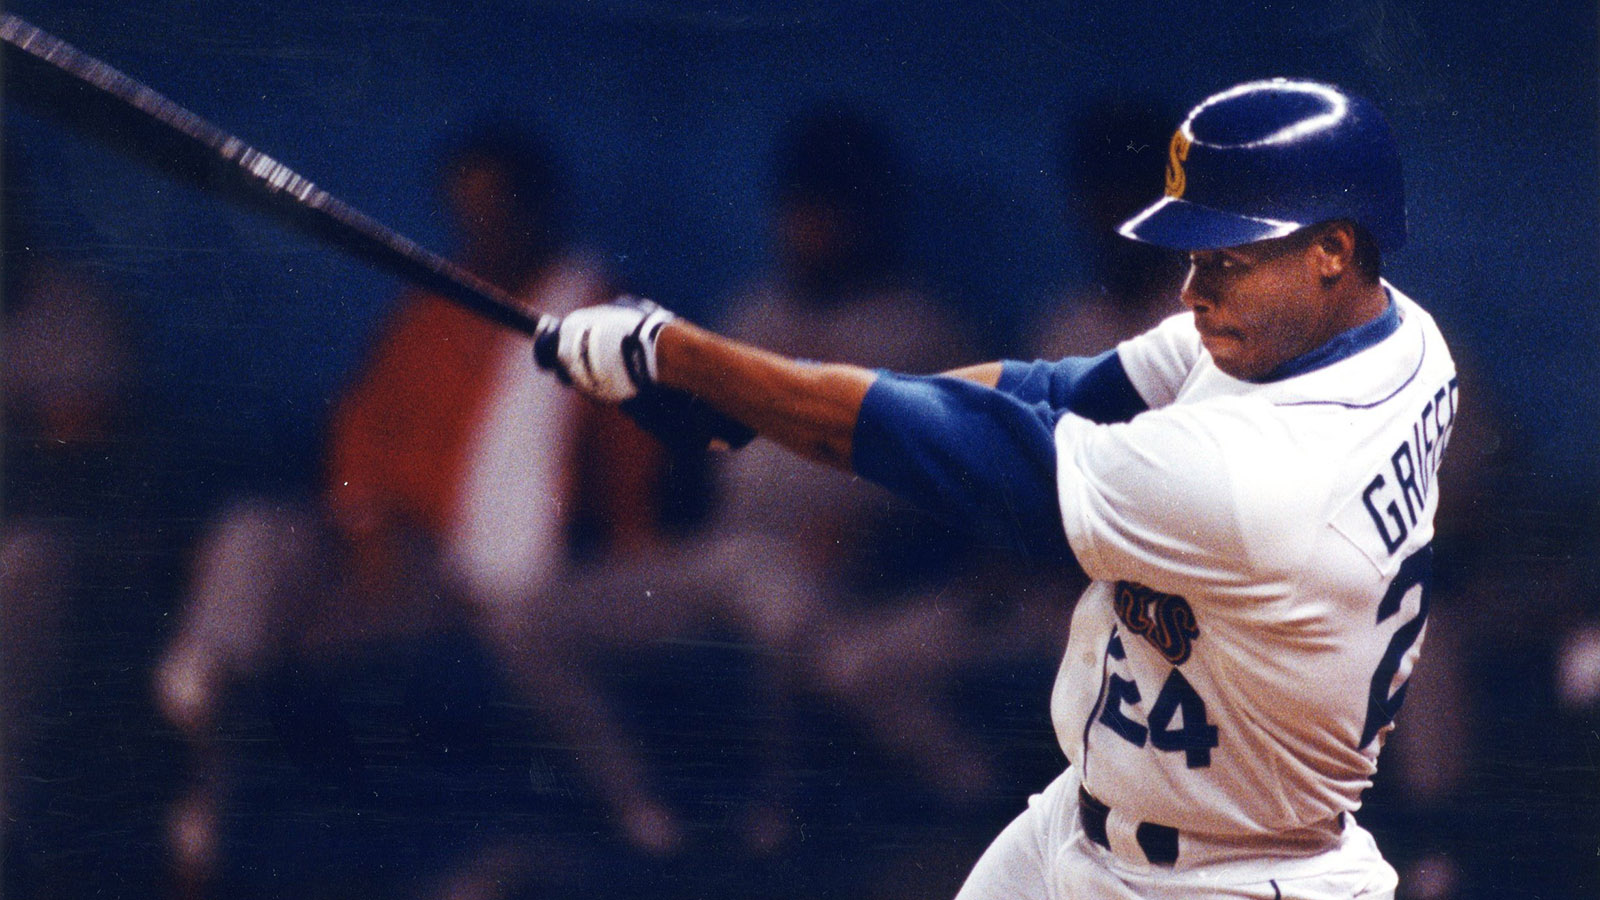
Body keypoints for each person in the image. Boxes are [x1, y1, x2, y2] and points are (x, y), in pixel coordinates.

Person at [537, 78, 1455, 898]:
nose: (1192, 289)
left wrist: (681, 354)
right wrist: (757, 398)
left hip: (1221, 873)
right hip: (1099, 818)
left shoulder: (1252, 471)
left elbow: (964, 443)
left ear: (1332, 250)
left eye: (1224, 258)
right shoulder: (1395, 336)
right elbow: (1052, 389)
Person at [152, 122, 669, 890]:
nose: (480, 228)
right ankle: (201, 679)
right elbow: (360, 434)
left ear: (538, 209)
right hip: (375, 540)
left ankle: (214, 811)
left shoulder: (594, 321)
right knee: (254, 534)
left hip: (466, 578)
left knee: (311, 653)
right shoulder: (432, 315)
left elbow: (631, 488)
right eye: (466, 211)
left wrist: (624, 564)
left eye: (496, 209)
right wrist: (365, 522)